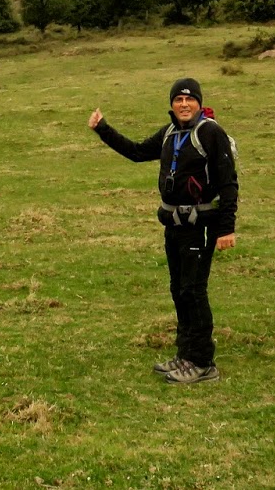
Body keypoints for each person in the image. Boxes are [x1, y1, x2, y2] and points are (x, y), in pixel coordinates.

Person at [88, 77, 238, 384]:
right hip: (174, 225)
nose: (184, 105)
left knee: (194, 291)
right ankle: (185, 355)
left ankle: (203, 363)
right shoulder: (170, 132)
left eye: (190, 100)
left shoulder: (211, 133)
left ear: (199, 102)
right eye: (178, 100)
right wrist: (103, 129)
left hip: (202, 226)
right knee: (179, 290)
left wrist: (227, 229)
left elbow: (228, 183)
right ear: (171, 104)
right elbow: (137, 151)